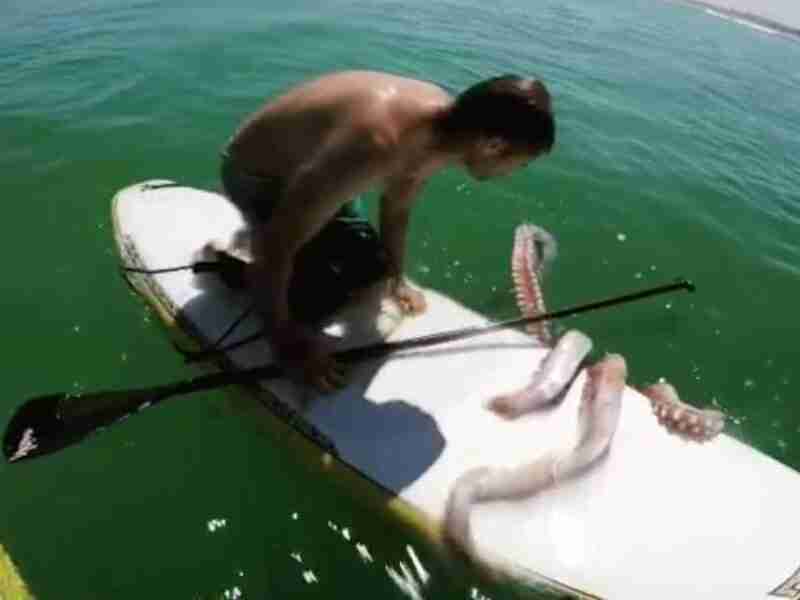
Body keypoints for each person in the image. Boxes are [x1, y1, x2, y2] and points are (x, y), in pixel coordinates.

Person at [220, 70, 555, 391]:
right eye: (521, 162)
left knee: (372, 269)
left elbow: (397, 207)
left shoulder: (445, 129)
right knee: (317, 296)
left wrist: (397, 277)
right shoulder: (377, 144)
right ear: (492, 145)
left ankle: (299, 246)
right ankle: (238, 269)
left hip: (319, 170)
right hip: (257, 177)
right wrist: (285, 342)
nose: (515, 171)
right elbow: (278, 245)